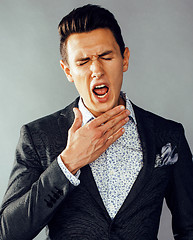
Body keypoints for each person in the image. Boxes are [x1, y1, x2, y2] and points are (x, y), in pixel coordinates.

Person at [0, 4, 193, 240]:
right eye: (83, 62)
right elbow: (7, 233)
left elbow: (189, 227)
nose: (96, 70)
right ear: (68, 71)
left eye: (105, 56)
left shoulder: (168, 135)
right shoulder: (38, 136)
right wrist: (67, 163)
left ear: (124, 59)